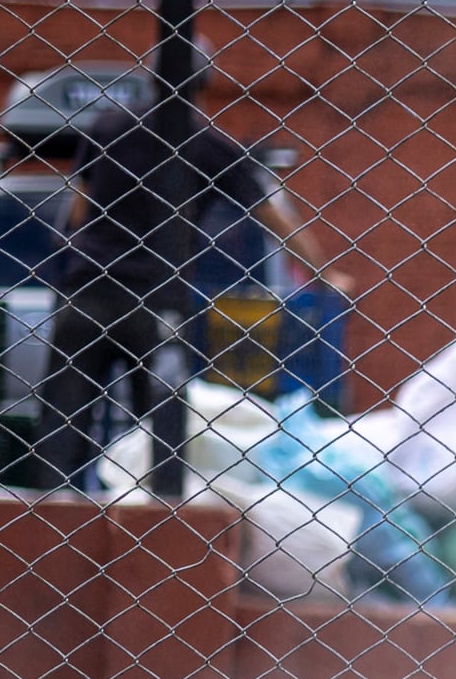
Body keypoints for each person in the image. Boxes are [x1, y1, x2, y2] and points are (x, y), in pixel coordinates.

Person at [31, 61, 345, 492]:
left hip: (88, 291)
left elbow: (79, 210)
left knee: (62, 424)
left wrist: (69, 264)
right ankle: (152, 524)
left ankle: (47, 525)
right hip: (156, 302)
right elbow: (273, 218)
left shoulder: (107, 127)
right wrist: (325, 275)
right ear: (203, 88)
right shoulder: (208, 144)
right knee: (160, 427)